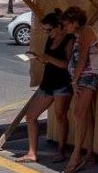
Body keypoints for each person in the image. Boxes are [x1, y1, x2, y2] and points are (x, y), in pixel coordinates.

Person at [15, 9, 73, 164]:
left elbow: (67, 64)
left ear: (59, 27)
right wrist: (42, 59)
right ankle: (32, 152)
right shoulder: (50, 39)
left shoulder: (69, 40)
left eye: (49, 30)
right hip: (48, 83)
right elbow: (51, 60)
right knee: (31, 116)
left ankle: (61, 150)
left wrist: (49, 58)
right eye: (44, 30)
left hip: (62, 84)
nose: (47, 33)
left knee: (60, 116)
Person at [62, 6, 98, 173]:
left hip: (87, 77)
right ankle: (89, 151)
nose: (65, 28)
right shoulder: (77, 36)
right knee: (86, 115)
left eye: (67, 25)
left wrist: (74, 80)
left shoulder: (86, 32)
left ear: (75, 22)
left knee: (79, 114)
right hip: (83, 77)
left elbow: (83, 57)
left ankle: (76, 154)